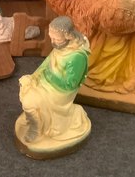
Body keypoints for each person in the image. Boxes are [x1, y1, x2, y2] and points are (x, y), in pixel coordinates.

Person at [18, 16, 91, 145]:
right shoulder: (61, 45)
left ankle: (36, 129)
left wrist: (49, 75)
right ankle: (36, 122)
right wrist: (34, 76)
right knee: (26, 86)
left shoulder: (77, 56)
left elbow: (70, 84)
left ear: (68, 36)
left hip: (60, 90)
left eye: (56, 39)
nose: (53, 42)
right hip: (47, 81)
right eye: (51, 37)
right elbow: (47, 62)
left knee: (30, 102)